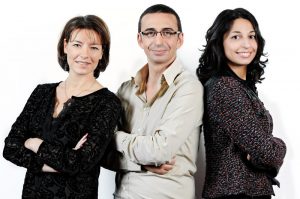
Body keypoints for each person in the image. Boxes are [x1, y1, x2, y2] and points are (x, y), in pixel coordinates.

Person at [3, 15, 121, 199]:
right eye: (77, 44)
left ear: (102, 53)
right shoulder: (42, 93)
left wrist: (34, 143)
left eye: (94, 47)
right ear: (65, 46)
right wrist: (58, 162)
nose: (84, 54)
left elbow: (80, 163)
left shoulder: (107, 102)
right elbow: (10, 147)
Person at [103, 4, 203, 199]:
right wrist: (139, 163)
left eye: (167, 32)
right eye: (150, 33)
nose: (158, 40)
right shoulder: (125, 90)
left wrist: (115, 137)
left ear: (179, 39)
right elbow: (100, 153)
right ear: (140, 39)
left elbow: (159, 150)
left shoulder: (188, 88)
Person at [196, 8, 286, 199]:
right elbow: (264, 151)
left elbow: (259, 150)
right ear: (220, 42)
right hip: (236, 193)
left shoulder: (242, 87)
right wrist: (281, 146)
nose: (246, 44)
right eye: (236, 37)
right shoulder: (225, 87)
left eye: (251, 36)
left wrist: (261, 151)